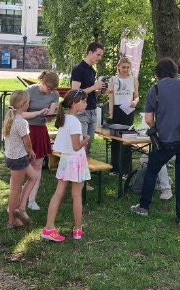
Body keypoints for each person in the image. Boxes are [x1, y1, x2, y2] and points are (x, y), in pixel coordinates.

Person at [130, 58, 180, 225]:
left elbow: (148, 118)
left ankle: (144, 207)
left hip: (165, 138)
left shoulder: (156, 89)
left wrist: (156, 128)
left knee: (152, 170)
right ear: (174, 71)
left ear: (158, 74)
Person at [43, 89, 91, 242]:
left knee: (58, 193)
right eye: (83, 101)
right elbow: (77, 147)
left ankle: (48, 227)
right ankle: (77, 228)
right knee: (76, 195)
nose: (86, 103)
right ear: (75, 104)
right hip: (76, 160)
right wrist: (87, 139)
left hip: (64, 160)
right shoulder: (75, 122)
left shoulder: (65, 119)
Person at [3, 90, 42, 229]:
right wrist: (30, 151)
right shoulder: (21, 122)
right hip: (18, 158)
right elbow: (27, 142)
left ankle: (21, 208)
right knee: (15, 189)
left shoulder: (10, 117)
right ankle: (11, 221)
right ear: (24, 104)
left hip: (12, 156)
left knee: (33, 177)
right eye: (29, 101)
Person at [70, 42, 106, 190]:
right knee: (80, 147)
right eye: (98, 54)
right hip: (82, 113)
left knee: (87, 145)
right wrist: (94, 87)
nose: (99, 57)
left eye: (101, 56)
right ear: (90, 52)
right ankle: (79, 180)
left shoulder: (92, 70)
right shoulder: (78, 69)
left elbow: (90, 92)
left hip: (92, 110)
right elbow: (75, 92)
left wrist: (102, 91)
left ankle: (82, 178)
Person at [23, 71, 59, 211]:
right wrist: (37, 113)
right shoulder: (29, 91)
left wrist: (49, 117)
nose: (50, 91)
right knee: (23, 165)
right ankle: (20, 196)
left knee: (37, 165)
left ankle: (32, 199)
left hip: (40, 130)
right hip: (26, 130)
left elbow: (50, 113)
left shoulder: (54, 94)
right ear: (42, 82)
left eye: (52, 89)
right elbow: (21, 114)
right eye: (48, 88)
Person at [108, 57, 139, 177]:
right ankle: (114, 167)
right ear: (119, 67)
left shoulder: (133, 79)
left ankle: (126, 169)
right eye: (123, 67)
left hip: (128, 110)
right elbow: (111, 99)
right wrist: (111, 114)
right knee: (115, 139)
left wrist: (135, 102)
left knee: (127, 139)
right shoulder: (113, 79)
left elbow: (136, 96)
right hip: (116, 110)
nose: (125, 69)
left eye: (127, 67)